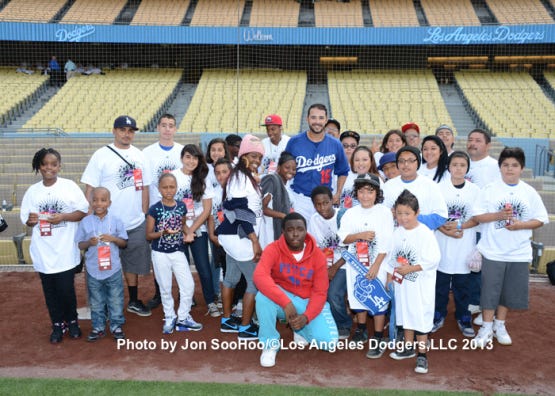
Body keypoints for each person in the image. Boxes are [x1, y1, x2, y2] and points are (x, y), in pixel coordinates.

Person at [471, 147, 549, 349]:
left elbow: (540, 219)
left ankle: (500, 325)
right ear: (500, 167)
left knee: (508, 292)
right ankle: (486, 327)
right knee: (490, 291)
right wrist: (499, 216)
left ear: (521, 168)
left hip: (519, 252)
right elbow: (478, 216)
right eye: (505, 165)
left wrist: (519, 226)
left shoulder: (529, 192)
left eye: (514, 165)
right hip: (493, 250)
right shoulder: (490, 189)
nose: (510, 169)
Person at [81, 115, 152, 317]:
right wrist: (89, 216)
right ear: (114, 131)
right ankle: (101, 304)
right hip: (106, 223)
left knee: (132, 264)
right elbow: (90, 188)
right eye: (122, 130)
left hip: (134, 221)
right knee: (104, 263)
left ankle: (134, 300)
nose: (127, 134)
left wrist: (144, 213)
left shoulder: (140, 155)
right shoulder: (101, 155)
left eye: (130, 131)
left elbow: (145, 187)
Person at [21, 148, 89, 343]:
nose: (49, 168)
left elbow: (83, 211)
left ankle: (73, 321)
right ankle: (57, 324)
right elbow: (27, 219)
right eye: (44, 164)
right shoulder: (32, 191)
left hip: (65, 250)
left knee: (66, 289)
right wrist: (31, 221)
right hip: (43, 251)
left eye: (53, 164)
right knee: (50, 292)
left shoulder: (69, 186)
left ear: (59, 166)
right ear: (39, 166)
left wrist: (63, 217)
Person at [254, 212, 339, 368]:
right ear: (283, 232)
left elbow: (320, 292)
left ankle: (299, 328)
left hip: (307, 302)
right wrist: (285, 302)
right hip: (283, 299)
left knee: (330, 343)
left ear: (306, 231)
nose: (295, 233)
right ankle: (270, 344)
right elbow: (259, 276)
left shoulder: (317, 255)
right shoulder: (273, 249)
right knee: (262, 297)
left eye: (299, 229)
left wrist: (306, 317)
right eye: (290, 229)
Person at [337, 173, 394, 355]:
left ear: (377, 193)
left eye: (370, 191)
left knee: (377, 299)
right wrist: (359, 235)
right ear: (356, 193)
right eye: (361, 191)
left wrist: (377, 266)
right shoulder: (350, 213)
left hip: (378, 264)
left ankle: (378, 335)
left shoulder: (384, 213)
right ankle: (361, 329)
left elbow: (387, 243)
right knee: (359, 296)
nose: (365, 196)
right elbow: (343, 238)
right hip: (356, 265)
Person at [387, 190, 440, 374]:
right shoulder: (397, 233)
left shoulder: (425, 233)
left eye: (407, 213)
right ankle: (408, 347)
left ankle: (422, 355)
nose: (403, 218)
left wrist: (410, 268)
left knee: (420, 316)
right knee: (405, 314)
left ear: (417, 213)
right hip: (403, 284)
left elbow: (433, 259)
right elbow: (391, 257)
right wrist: (390, 276)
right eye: (399, 213)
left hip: (420, 285)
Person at [217, 134, 264, 340]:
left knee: (231, 278)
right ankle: (245, 327)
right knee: (254, 283)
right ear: (243, 154)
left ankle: (227, 320)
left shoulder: (244, 176)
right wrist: (254, 240)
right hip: (240, 237)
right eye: (253, 155)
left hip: (232, 236)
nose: (257, 160)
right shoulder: (239, 176)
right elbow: (240, 210)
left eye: (260, 157)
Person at [146, 173, 203, 334]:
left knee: (188, 285)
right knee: (165, 287)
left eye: (172, 187)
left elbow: (183, 224)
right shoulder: (154, 209)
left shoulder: (181, 206)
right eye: (165, 187)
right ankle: (170, 316)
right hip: (160, 253)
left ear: (176, 188)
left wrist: (188, 233)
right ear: (159, 189)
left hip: (178, 251)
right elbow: (148, 235)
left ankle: (183, 317)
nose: (169, 190)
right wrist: (163, 232)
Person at [432, 152, 480, 338]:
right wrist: (445, 228)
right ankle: (438, 315)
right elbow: (434, 215)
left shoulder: (475, 190)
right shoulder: (439, 188)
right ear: (449, 167)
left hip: (463, 245)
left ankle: (463, 316)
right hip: (442, 244)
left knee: (462, 287)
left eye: (462, 165)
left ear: (467, 168)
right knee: (440, 286)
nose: (458, 168)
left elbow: (477, 218)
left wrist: (460, 225)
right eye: (455, 164)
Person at [171, 144, 219, 317]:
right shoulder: (173, 177)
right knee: (181, 269)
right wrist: (185, 230)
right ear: (182, 158)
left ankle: (210, 301)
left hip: (199, 230)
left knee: (204, 268)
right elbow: (171, 205)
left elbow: (207, 210)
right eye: (188, 157)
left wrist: (192, 230)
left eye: (195, 158)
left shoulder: (203, 179)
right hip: (177, 230)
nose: (191, 161)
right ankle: (186, 299)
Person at [142, 113, 184, 309]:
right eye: (164, 125)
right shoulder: (147, 153)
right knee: (159, 255)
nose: (167, 129)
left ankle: (185, 293)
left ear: (175, 129)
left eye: (171, 125)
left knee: (180, 254)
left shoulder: (183, 152)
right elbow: (145, 184)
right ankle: (160, 293)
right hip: (158, 212)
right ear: (158, 127)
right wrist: (146, 210)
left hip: (178, 211)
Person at [75, 187, 128, 341]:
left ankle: (116, 326)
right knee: (96, 301)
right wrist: (89, 243)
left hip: (113, 269)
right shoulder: (85, 222)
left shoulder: (116, 220)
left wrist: (113, 239)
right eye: (95, 200)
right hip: (93, 270)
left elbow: (124, 243)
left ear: (109, 202)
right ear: (90, 202)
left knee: (116, 299)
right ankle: (98, 327)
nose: (99, 203)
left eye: (103, 200)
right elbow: (79, 245)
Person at [285, 104, 350, 222]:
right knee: (299, 238)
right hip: (300, 199)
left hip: (325, 200)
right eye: (313, 117)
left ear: (326, 120)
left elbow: (343, 171)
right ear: (307, 119)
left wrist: (338, 193)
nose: (317, 121)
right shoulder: (294, 142)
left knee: (322, 239)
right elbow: (283, 169)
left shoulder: (335, 144)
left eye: (321, 118)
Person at [465, 128, 502, 317]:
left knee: (486, 270)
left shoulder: (495, 167)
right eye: (470, 139)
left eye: (478, 140)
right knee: (470, 266)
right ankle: (472, 302)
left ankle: (487, 307)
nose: (473, 143)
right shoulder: (462, 163)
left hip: (485, 227)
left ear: (488, 145)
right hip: (465, 225)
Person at [308, 186, 349, 340]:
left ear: (332, 200)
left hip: (344, 263)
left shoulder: (343, 217)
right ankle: (322, 322)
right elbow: (315, 247)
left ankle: (343, 323)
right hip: (324, 263)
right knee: (314, 290)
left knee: (333, 293)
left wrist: (334, 268)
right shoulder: (314, 219)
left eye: (326, 203)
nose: (322, 207)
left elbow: (352, 249)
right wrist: (322, 269)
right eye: (318, 204)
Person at [208, 158, 246, 314]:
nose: (221, 176)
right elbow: (211, 216)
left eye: (224, 172)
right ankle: (229, 305)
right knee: (226, 271)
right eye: (217, 173)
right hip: (221, 240)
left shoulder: (238, 190)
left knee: (242, 272)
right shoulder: (214, 193)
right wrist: (212, 235)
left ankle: (240, 302)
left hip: (238, 239)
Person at [383, 146, 448, 231]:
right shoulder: (388, 186)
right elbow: (380, 215)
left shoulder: (430, 185)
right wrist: (389, 215)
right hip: (395, 238)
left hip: (421, 239)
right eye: (402, 161)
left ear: (418, 163)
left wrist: (410, 217)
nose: (406, 165)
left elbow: (441, 217)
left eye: (410, 161)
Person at [259, 151, 296, 248]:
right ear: (278, 168)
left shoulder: (287, 187)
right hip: (268, 233)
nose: (291, 171)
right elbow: (263, 207)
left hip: (279, 232)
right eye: (287, 167)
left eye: (294, 169)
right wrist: (283, 216)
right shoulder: (272, 180)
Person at [340, 145, 380, 210]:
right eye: (357, 160)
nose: (360, 163)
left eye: (365, 160)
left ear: (371, 162)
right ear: (352, 162)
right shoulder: (344, 177)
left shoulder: (378, 180)